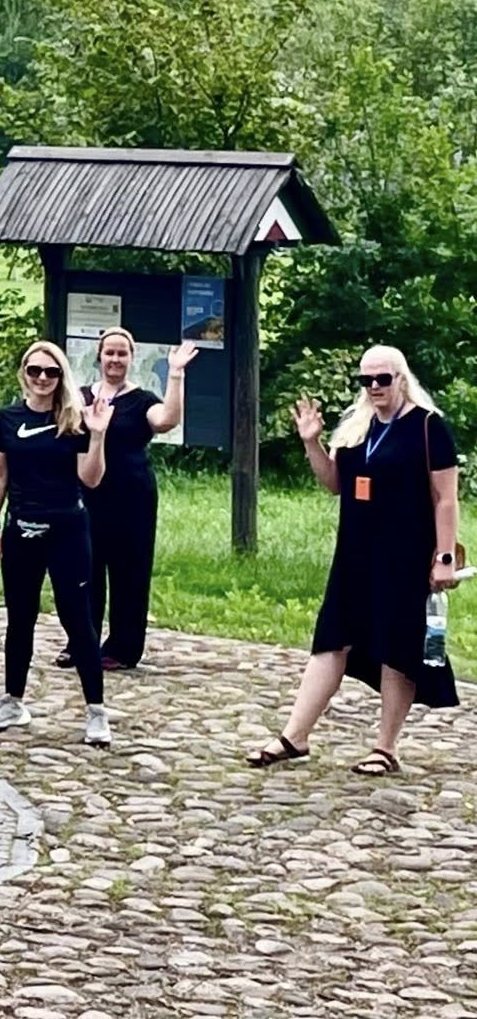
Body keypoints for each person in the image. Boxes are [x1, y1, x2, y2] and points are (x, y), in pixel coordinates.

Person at [249, 347, 461, 776]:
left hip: (405, 554)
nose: (374, 387)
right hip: (355, 553)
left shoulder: (427, 427)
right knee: (331, 639)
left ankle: (385, 747)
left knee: (396, 647)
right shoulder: (357, 427)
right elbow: (335, 483)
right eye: (367, 380)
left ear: (401, 378)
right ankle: (294, 736)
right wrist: (311, 442)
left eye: (383, 379)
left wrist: (443, 557)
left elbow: (446, 498)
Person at [0, 341, 113, 746]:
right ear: (24, 372)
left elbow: (91, 479)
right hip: (21, 528)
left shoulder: (74, 419)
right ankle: (13, 700)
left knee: (78, 619)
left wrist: (98, 435)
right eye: (35, 370)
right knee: (20, 617)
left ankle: (96, 710)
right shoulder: (9, 418)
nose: (42, 378)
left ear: (61, 376)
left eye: (51, 372)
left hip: (67, 529)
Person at [59, 331, 197, 672]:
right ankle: (81, 640)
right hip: (86, 493)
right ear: (99, 356)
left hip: (132, 498)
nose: (115, 359)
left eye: (122, 353)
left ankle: (123, 647)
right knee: (84, 568)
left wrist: (176, 374)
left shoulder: (141, 400)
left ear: (131, 358)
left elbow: (166, 420)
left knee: (129, 571)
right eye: (110, 353)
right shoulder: (80, 397)